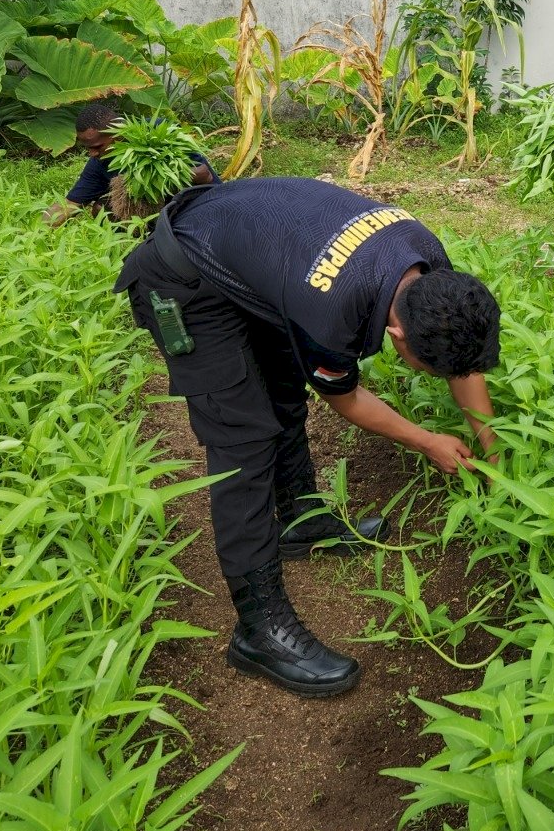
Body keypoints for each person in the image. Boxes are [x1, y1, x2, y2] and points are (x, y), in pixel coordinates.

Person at [114, 177, 501, 697]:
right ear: (397, 336)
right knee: (241, 441)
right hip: (184, 274)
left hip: (256, 253)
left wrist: (493, 451)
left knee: (281, 392)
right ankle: (259, 631)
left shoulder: (428, 262)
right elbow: (344, 398)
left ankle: (301, 518)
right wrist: (427, 440)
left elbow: (464, 365)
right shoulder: (334, 309)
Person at [44, 101, 216, 225]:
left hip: (204, 205)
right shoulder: (100, 161)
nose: (92, 153)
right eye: (87, 148)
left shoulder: (157, 132)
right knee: (101, 209)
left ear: (119, 134)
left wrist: (147, 176)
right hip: (159, 215)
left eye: (97, 146)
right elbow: (70, 204)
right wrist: (35, 231)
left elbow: (203, 175)